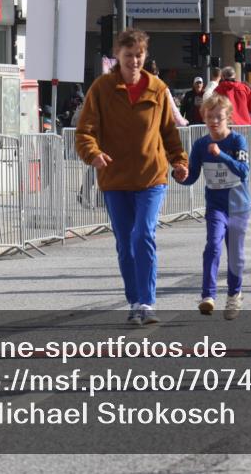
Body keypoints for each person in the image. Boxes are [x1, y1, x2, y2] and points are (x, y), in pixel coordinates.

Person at [75, 29, 188, 326]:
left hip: (152, 176)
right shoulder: (101, 89)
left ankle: (148, 302)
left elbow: (168, 132)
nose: (134, 61)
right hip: (115, 178)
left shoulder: (158, 88)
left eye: (139, 55)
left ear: (145, 55)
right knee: (125, 243)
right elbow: (84, 131)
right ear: (118, 57)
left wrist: (179, 161)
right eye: (128, 56)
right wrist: (93, 154)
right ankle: (135, 300)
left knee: (143, 235)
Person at [176, 94, 251, 320]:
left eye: (218, 117)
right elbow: (192, 177)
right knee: (213, 245)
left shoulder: (237, 141)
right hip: (216, 205)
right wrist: (180, 175)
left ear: (228, 117)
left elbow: (243, 171)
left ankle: (234, 295)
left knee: (235, 253)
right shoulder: (200, 145)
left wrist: (222, 156)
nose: (214, 121)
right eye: (209, 117)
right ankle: (208, 296)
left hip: (237, 205)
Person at [144, 59, 189, 127]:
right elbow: (173, 109)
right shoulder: (162, 88)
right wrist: (182, 122)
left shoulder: (139, 87)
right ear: (157, 72)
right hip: (157, 127)